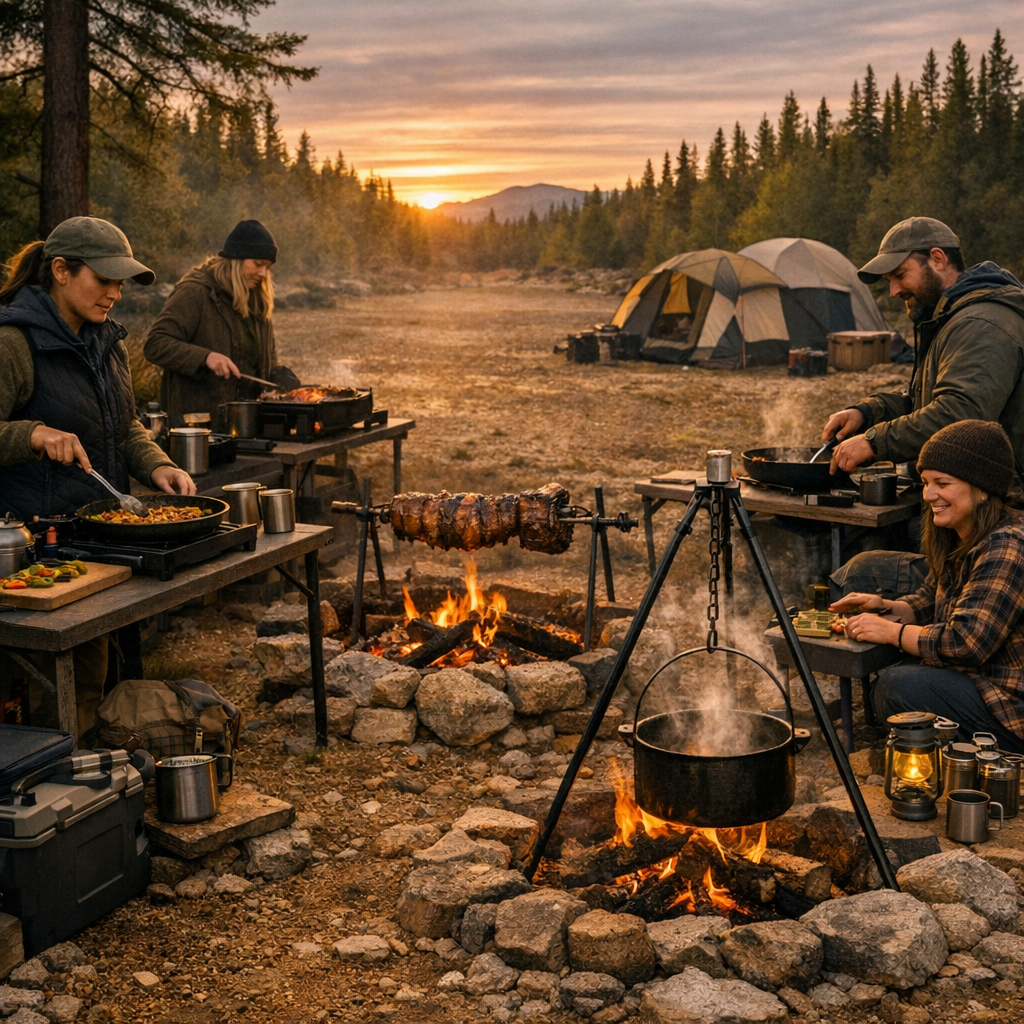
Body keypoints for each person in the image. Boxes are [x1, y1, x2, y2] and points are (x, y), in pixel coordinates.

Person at [0, 216, 196, 737]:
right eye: (103, 279)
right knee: (58, 690)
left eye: (120, 282)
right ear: (60, 270)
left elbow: (122, 422)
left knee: (102, 677)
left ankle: (102, 792)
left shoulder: (107, 341)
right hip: (38, 549)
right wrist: (33, 433)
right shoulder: (13, 342)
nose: (114, 293)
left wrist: (157, 464)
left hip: (102, 539)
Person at [831, 421, 1024, 753]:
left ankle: (986, 756)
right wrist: (888, 608)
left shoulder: (1008, 544)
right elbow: (932, 597)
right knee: (898, 680)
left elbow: (966, 643)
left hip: (1009, 707)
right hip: (977, 682)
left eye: (942, 483)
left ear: (982, 489)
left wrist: (893, 633)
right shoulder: (964, 532)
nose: (929, 495)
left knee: (898, 687)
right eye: (925, 482)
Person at [822, 217, 1024, 475]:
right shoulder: (949, 317)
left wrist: (874, 441)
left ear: (938, 259)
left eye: (900, 275)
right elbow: (926, 398)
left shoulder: (981, 323)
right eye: (889, 281)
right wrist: (867, 413)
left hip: (1005, 502)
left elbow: (959, 416)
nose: (894, 291)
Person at [143, 219, 299, 431]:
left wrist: (280, 377)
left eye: (268, 267)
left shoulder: (258, 301)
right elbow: (155, 344)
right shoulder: (195, 292)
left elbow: (263, 364)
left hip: (247, 426)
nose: (263, 274)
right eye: (258, 264)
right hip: (198, 430)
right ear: (236, 259)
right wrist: (205, 357)